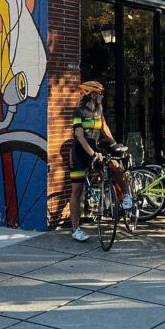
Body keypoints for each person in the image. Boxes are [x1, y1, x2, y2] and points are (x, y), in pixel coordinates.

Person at [67, 81, 132, 242]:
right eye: (100, 93)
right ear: (92, 94)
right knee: (77, 190)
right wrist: (92, 154)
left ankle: (126, 194)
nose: (102, 96)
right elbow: (80, 136)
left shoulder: (99, 110)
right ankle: (76, 229)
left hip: (96, 149)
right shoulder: (79, 112)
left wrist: (114, 144)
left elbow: (104, 129)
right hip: (81, 153)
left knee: (115, 165)